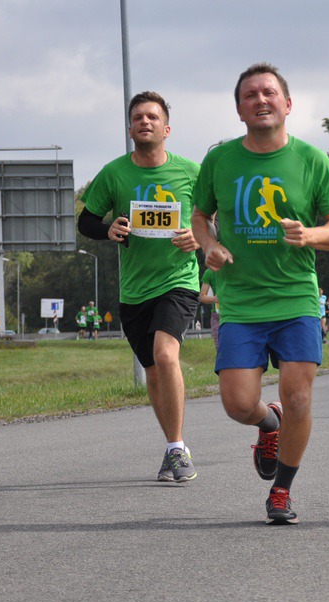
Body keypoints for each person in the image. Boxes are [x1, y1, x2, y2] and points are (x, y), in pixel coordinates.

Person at [191, 62, 329, 524]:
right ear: (239, 110)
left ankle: (281, 490)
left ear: (287, 103)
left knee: (300, 398)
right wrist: (209, 245)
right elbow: (200, 216)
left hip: (295, 297)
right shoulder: (220, 161)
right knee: (238, 403)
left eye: (269, 93)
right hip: (240, 301)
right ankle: (268, 422)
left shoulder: (311, 160)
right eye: (250, 95)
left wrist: (311, 235)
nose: (260, 100)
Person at [77, 90, 202, 483]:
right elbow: (86, 221)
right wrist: (108, 229)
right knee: (153, 372)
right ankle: (172, 447)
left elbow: (216, 218)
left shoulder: (191, 172)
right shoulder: (114, 173)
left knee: (166, 355)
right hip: (135, 290)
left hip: (179, 281)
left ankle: (177, 448)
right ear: (130, 129)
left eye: (152, 116)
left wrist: (200, 237)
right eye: (137, 117)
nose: (144, 122)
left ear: (166, 129)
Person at [199, 267, 221, 351]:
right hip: (217, 315)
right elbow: (202, 297)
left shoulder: (234, 268)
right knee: (220, 348)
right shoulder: (209, 272)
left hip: (234, 314)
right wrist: (214, 299)